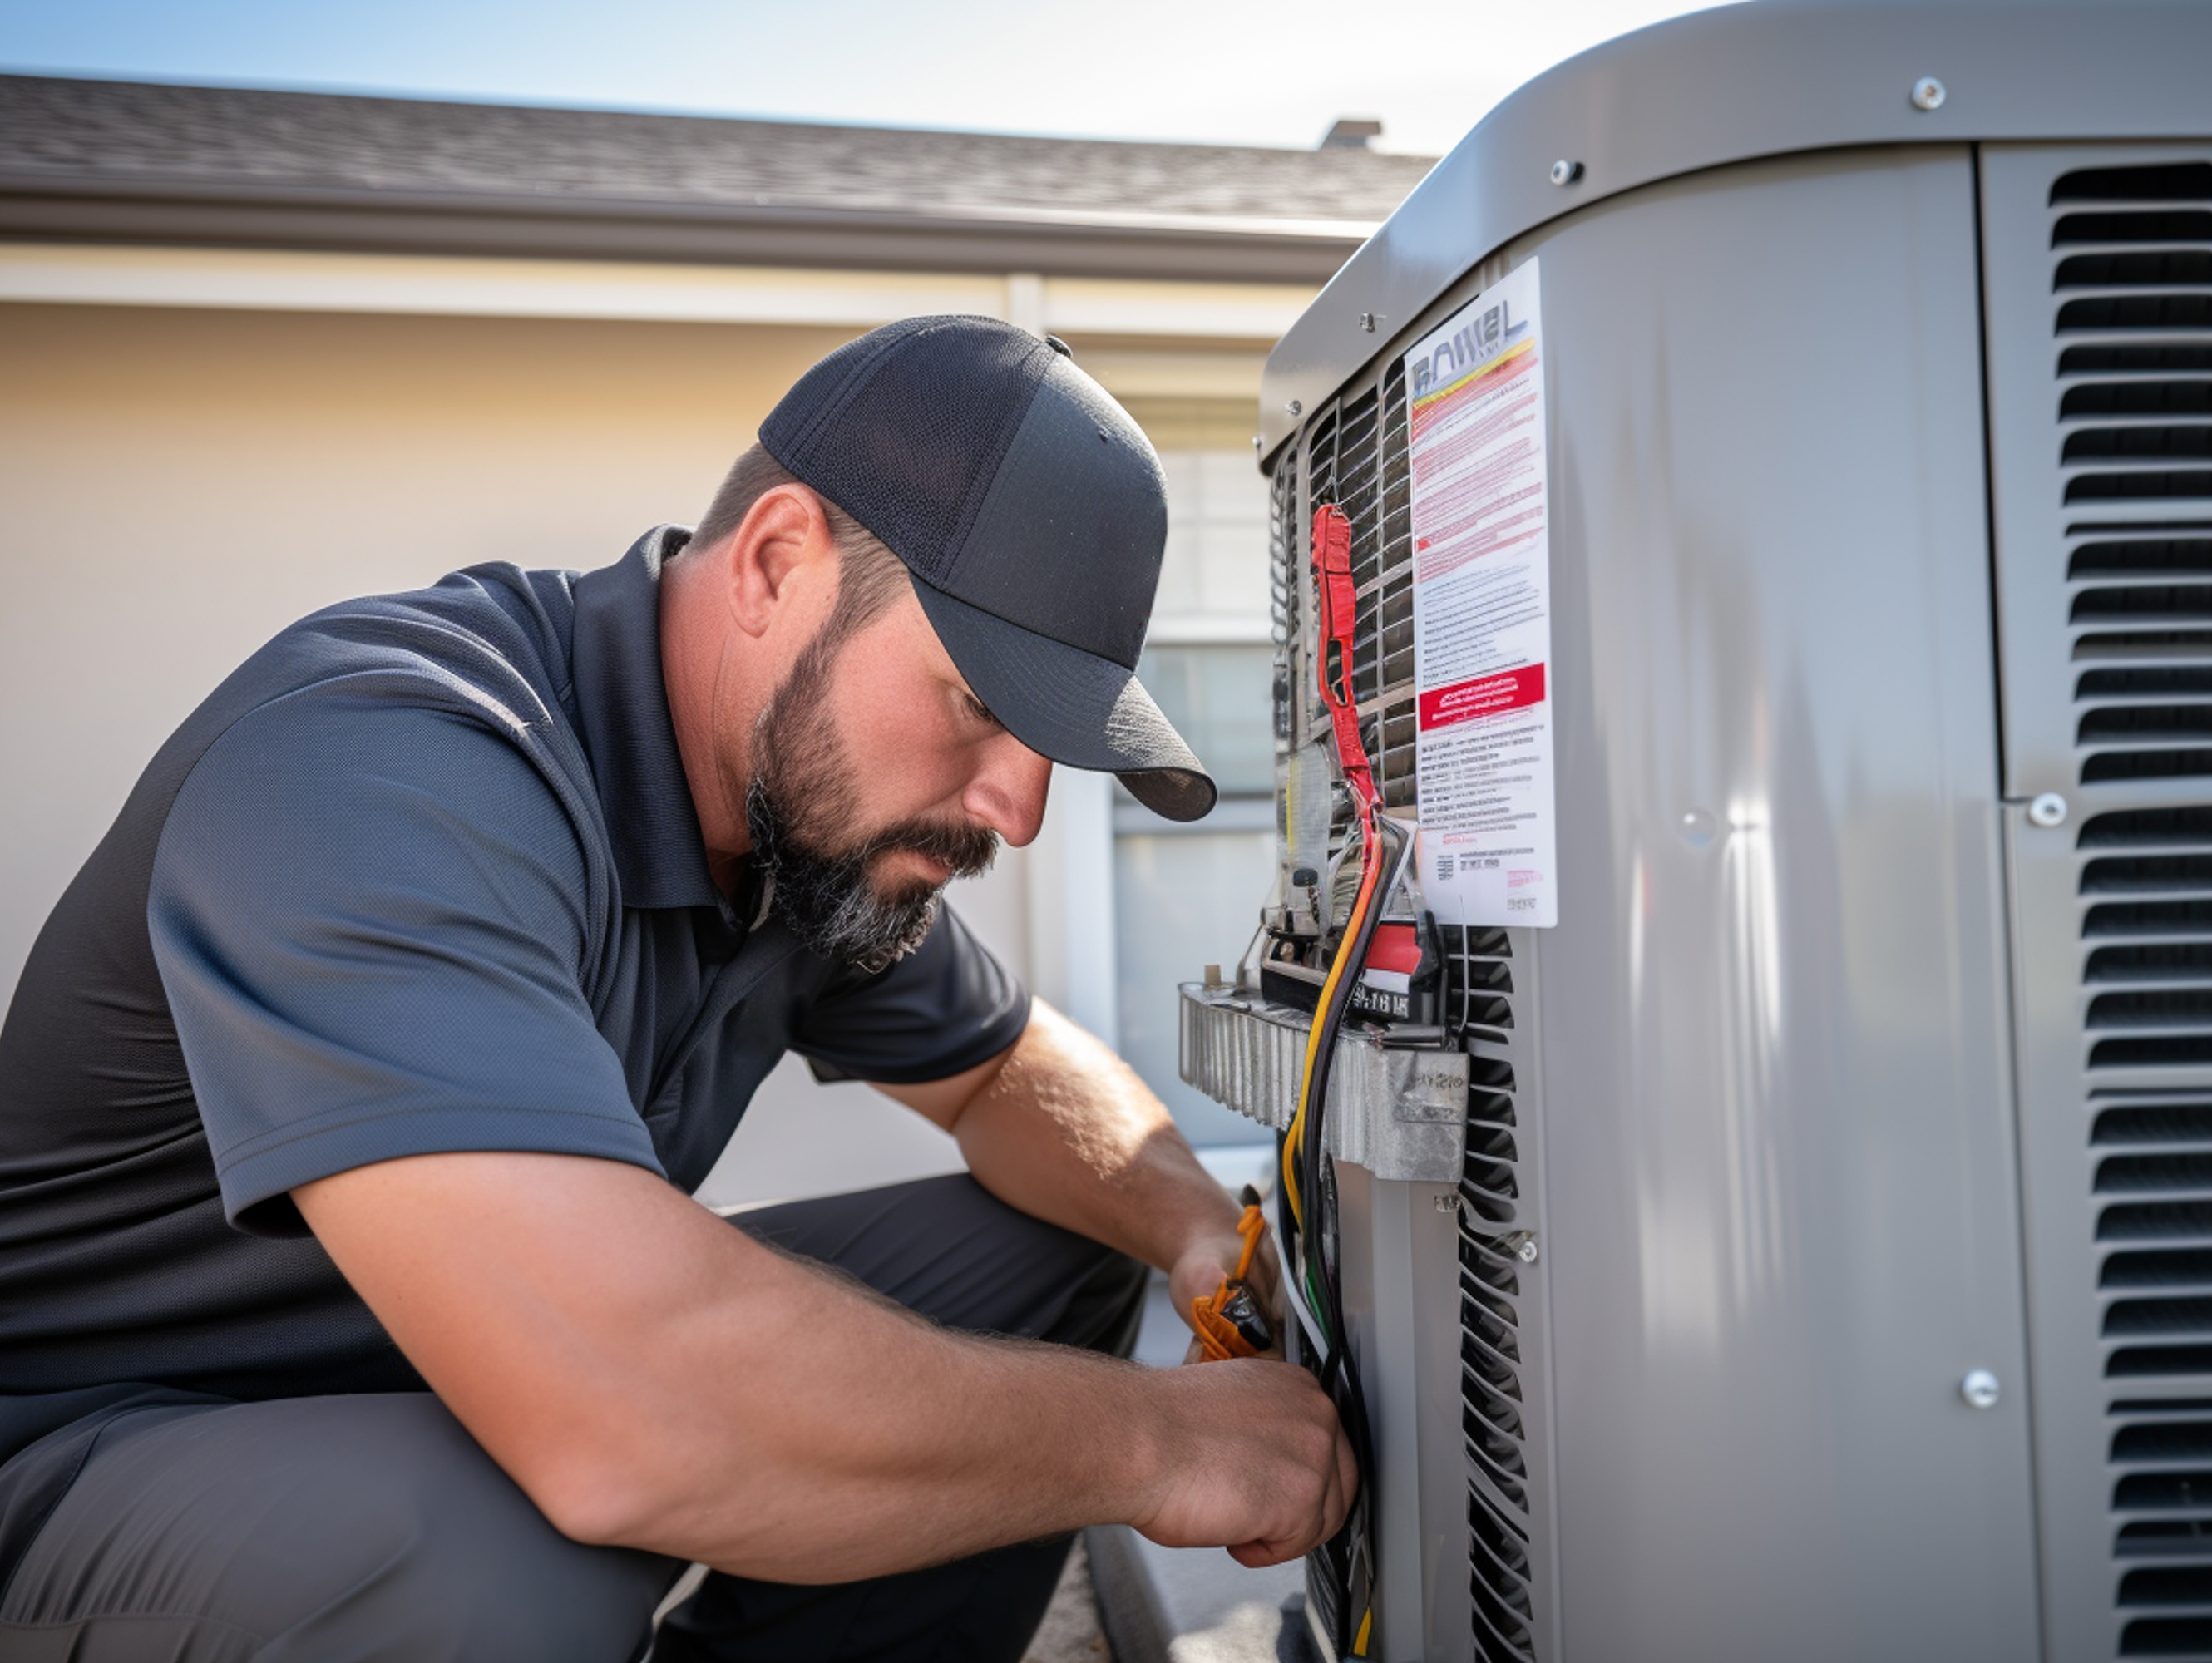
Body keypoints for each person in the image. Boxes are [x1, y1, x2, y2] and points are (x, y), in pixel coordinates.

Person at [0, 316, 1355, 1661]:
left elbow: (1007, 1070)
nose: (1022, 807)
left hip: (443, 1376)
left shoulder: (801, 829)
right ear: (775, 565)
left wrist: (1201, 1242)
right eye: (980, 705)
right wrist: (1158, 1445)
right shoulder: (381, 769)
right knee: (505, 1564)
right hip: (102, 1446)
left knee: (1045, 1248)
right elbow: (622, 1417)